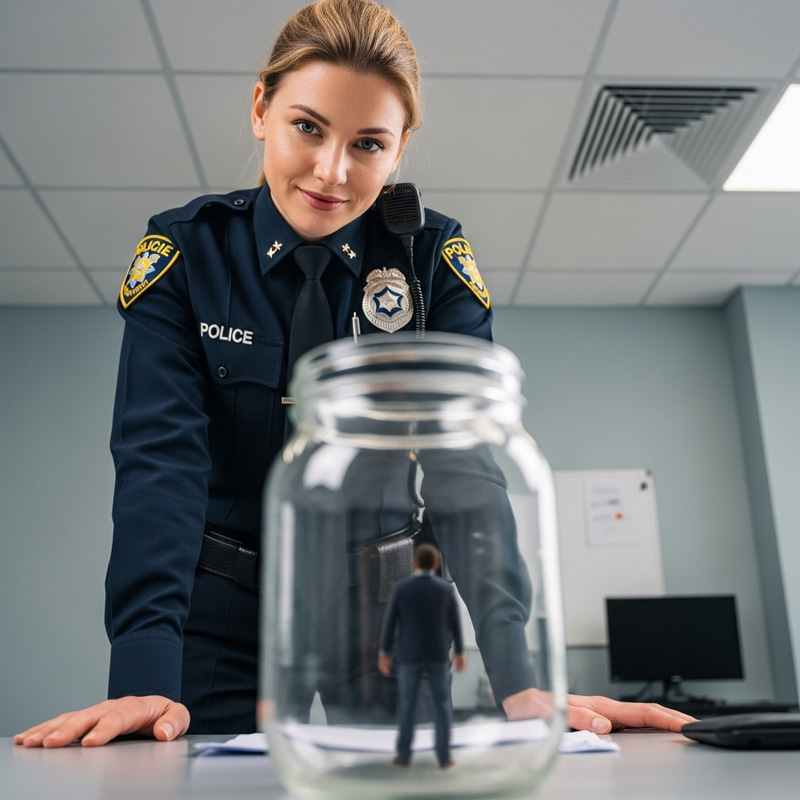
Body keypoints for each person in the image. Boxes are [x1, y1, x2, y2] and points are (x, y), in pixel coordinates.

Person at [14, 0, 695, 749]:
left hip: (386, 607)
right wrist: (144, 674)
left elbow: (466, 475)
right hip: (224, 606)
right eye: (307, 126)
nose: (332, 171)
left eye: (368, 143)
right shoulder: (186, 257)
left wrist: (517, 676)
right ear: (260, 109)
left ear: (399, 150)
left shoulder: (432, 265)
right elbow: (159, 467)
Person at [378, 544, 467, 768]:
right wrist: (460, 652)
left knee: (408, 707)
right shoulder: (445, 589)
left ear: (414, 563)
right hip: (437, 655)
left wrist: (384, 652)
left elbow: (390, 624)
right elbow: (455, 623)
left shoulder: (402, 588)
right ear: (436, 564)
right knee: (442, 707)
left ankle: (405, 756)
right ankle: (444, 756)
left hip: (410, 655)